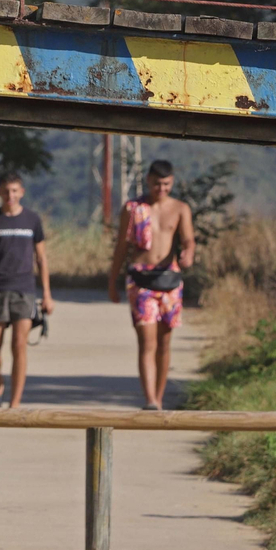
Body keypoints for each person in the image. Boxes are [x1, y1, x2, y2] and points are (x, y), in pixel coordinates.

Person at [109, 160, 194, 410]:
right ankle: (150, 401)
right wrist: (112, 280)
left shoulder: (180, 208)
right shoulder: (133, 208)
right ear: (148, 180)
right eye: (157, 183)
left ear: (172, 183)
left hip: (169, 279)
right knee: (147, 341)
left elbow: (188, 239)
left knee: (164, 342)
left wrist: (189, 253)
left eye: (166, 184)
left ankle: (159, 394)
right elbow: (122, 247)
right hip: (140, 279)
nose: (161, 188)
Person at [0, 172, 54, 408]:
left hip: (24, 291)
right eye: (6, 191)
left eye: (15, 190)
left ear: (22, 192)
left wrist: (46, 294)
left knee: (19, 346)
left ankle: (15, 404)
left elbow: (42, 258)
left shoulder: (32, 220)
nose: (10, 195)